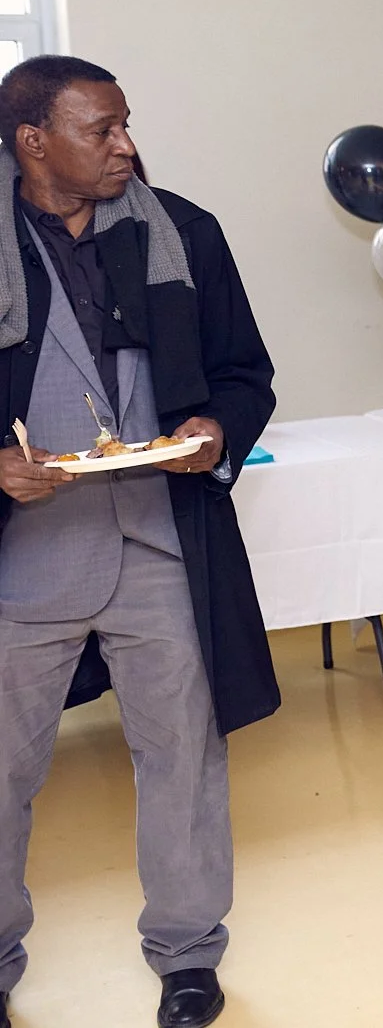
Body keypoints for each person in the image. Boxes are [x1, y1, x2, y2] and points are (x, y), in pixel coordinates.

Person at [0, 56, 276, 1028]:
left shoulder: (183, 233)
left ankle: (190, 952)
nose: (126, 145)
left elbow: (245, 373)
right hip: (23, 559)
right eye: (100, 129)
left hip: (161, 545)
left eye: (125, 125)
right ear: (33, 142)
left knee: (184, 758)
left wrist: (214, 430)